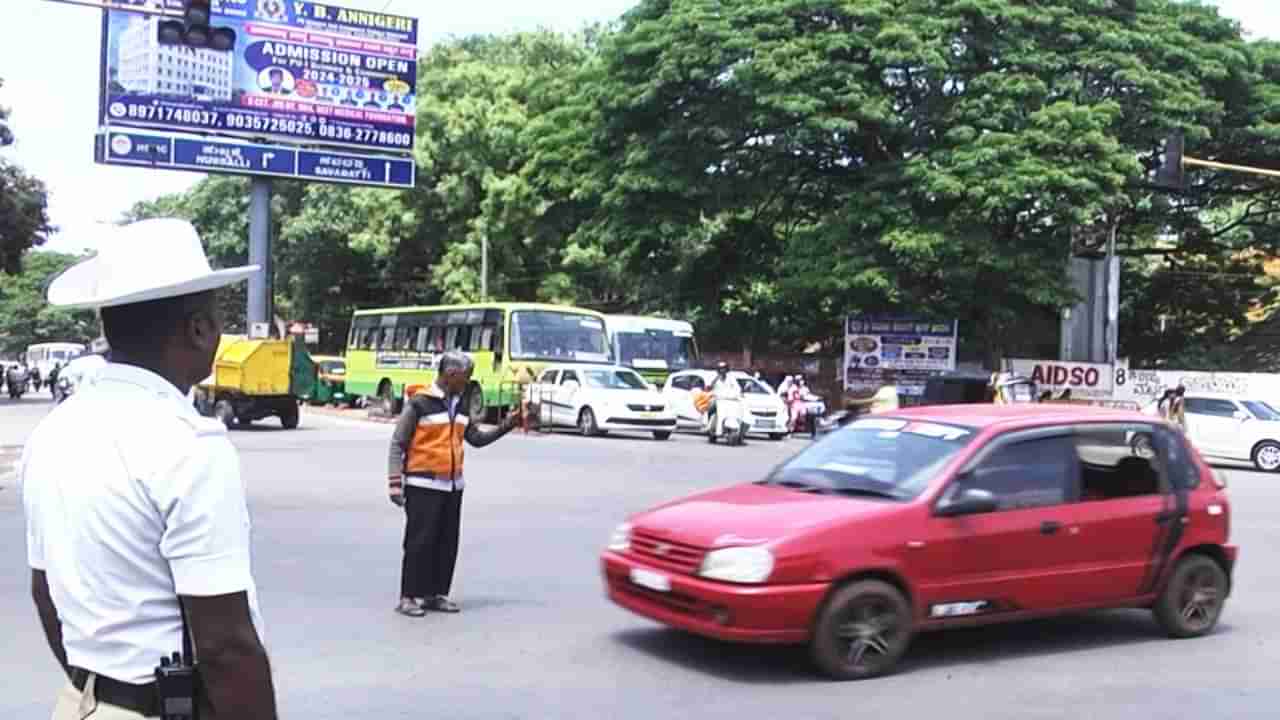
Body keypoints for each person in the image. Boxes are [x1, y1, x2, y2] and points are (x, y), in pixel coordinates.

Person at [20, 218, 277, 719]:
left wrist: (100, 689)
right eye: (216, 318)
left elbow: (44, 593)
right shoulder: (188, 444)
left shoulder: (54, 431)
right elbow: (226, 646)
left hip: (82, 705)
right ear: (198, 328)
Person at [388, 351, 522, 616]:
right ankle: (408, 596)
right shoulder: (419, 403)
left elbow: (477, 439)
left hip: (452, 486)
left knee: (447, 542)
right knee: (419, 543)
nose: (469, 382)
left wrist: (509, 424)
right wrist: (394, 483)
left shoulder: (461, 406)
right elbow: (397, 444)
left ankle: (436, 594)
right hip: (422, 484)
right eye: (466, 377)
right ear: (451, 375)